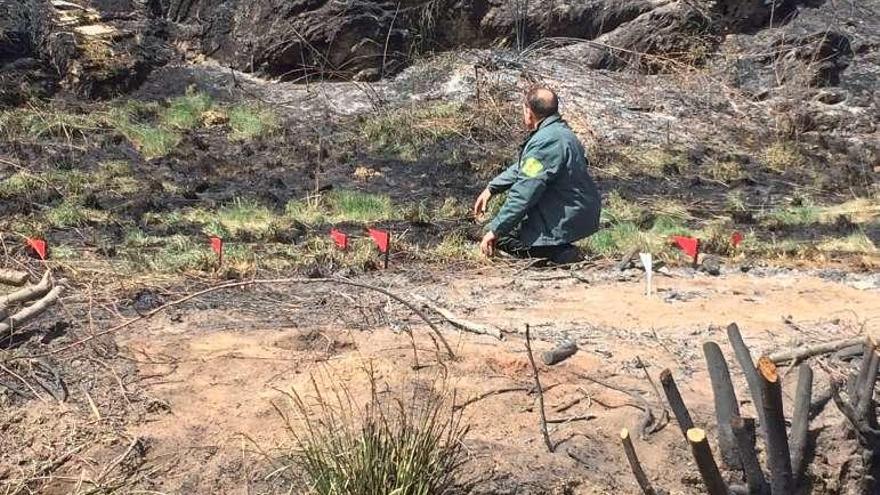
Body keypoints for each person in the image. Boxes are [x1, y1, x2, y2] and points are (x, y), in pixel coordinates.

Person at [473, 85, 601, 264]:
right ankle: (555, 248)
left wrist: (495, 230)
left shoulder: (546, 141)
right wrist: (492, 188)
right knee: (502, 228)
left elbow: (524, 193)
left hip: (568, 215)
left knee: (500, 236)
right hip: (576, 211)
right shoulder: (559, 133)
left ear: (529, 112)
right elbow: (525, 167)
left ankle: (557, 253)